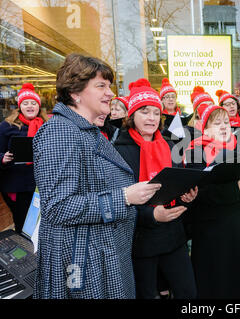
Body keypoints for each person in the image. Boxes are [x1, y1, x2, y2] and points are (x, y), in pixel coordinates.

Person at [32, 53, 161, 299]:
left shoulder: (86, 131)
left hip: (98, 257)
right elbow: (58, 207)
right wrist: (124, 197)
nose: (110, 93)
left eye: (109, 86)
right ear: (75, 93)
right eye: (100, 86)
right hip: (83, 265)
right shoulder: (59, 132)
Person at [114, 78, 197, 299]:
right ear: (131, 116)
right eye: (144, 112)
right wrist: (153, 215)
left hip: (173, 234)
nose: (151, 118)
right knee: (147, 294)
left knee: (188, 291)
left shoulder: (170, 145)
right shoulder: (119, 151)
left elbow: (178, 182)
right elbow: (120, 199)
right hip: (140, 240)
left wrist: (186, 196)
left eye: (155, 112)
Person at [183, 104, 240, 298]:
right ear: (206, 127)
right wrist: (236, 190)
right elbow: (199, 193)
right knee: (218, 283)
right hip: (213, 231)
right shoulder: (195, 151)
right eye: (217, 123)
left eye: (226, 122)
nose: (224, 126)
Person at [0, 83, 48, 233]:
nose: (30, 106)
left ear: (39, 106)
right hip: (17, 185)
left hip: (42, 184)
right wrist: (3, 158)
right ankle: (25, 255)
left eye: (33, 103)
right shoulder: (7, 127)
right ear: (20, 106)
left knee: (42, 226)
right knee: (23, 225)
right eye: (25, 103)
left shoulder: (47, 125)